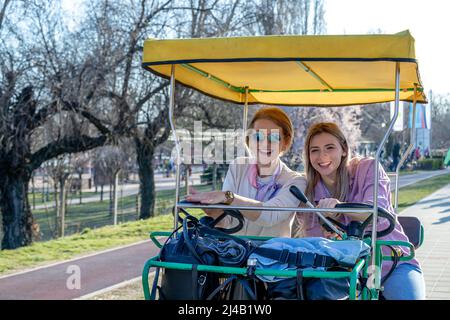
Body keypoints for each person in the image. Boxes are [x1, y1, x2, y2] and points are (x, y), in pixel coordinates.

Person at [294, 122, 425, 300]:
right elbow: (317, 246)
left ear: (344, 149)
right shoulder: (309, 193)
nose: (322, 156)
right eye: (314, 150)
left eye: (329, 147)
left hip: (390, 262)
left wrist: (339, 208)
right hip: (344, 272)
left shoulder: (368, 168)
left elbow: (376, 212)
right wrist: (328, 233)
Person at [185, 107, 306, 237]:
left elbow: (269, 216)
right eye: (258, 136)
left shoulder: (296, 182)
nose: (265, 143)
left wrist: (229, 197)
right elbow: (227, 221)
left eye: (274, 137)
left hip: (271, 256)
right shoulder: (238, 167)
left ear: (285, 143)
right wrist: (212, 210)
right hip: (235, 254)